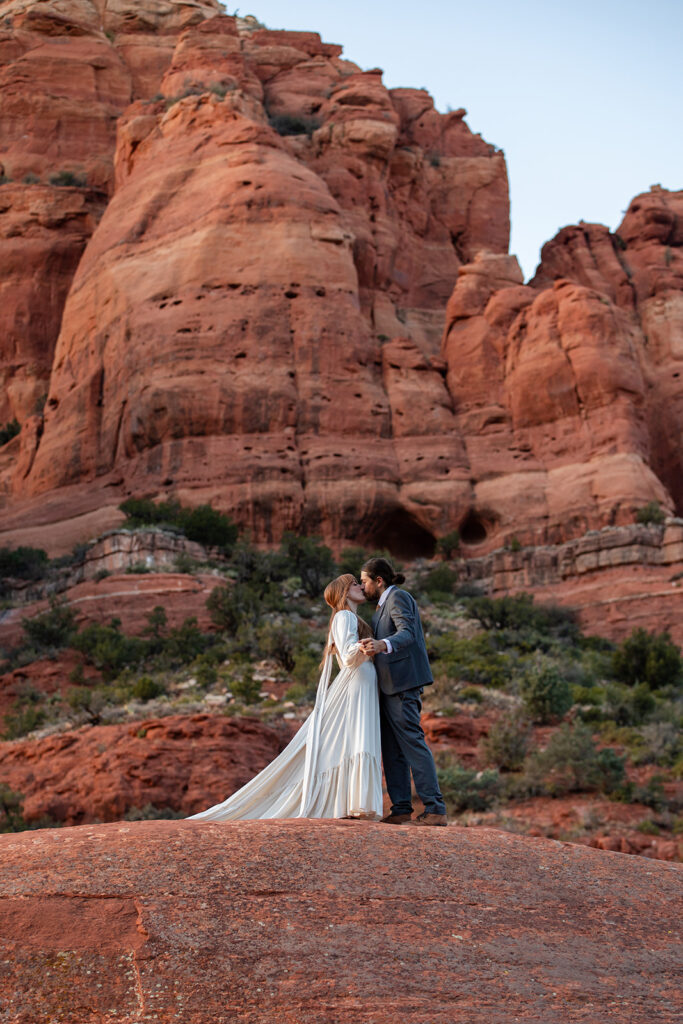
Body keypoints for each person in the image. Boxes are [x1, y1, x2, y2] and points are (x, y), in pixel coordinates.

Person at [188, 574, 382, 821]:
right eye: (355, 583)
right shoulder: (344, 616)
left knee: (353, 739)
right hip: (355, 682)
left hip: (361, 683)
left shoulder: (351, 618)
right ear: (344, 591)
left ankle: (353, 803)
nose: (360, 587)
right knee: (355, 738)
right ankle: (354, 803)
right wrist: (370, 645)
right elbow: (347, 654)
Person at [359, 557, 447, 826]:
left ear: (378, 580)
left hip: (402, 685)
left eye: (364, 582)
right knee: (392, 749)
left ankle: (435, 809)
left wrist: (382, 644)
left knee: (412, 743)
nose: (362, 588)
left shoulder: (398, 598)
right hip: (387, 687)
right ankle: (400, 809)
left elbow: (407, 634)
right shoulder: (379, 608)